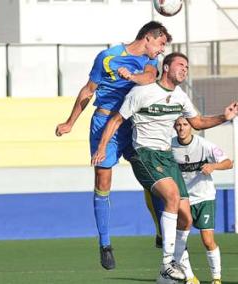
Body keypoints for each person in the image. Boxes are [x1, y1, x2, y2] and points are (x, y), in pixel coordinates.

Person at [91, 52, 238, 282]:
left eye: (187, 67)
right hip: (145, 154)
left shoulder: (180, 97)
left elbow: (198, 122)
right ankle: (167, 263)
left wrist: (225, 116)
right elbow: (116, 120)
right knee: (172, 197)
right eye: (180, 65)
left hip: (166, 158)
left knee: (186, 219)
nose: (185, 69)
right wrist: (102, 147)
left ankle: (166, 276)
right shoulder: (141, 92)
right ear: (166, 67)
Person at [55, 21, 172, 270]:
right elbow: (88, 90)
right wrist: (70, 122)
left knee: (152, 179)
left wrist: (132, 76)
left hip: (134, 124)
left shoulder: (150, 64)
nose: (161, 50)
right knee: (103, 181)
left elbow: (149, 78)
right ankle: (105, 243)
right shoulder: (108, 57)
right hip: (104, 120)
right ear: (149, 38)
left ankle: (162, 230)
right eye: (161, 44)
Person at [172, 116, 232, 284]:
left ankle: (216, 278)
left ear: (191, 126)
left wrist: (213, 166)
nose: (181, 128)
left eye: (185, 124)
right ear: (174, 127)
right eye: (178, 125)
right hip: (183, 199)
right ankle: (189, 277)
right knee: (181, 239)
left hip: (205, 197)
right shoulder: (169, 147)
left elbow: (228, 162)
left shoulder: (204, 145)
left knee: (207, 240)